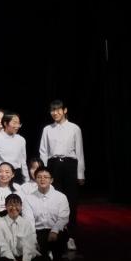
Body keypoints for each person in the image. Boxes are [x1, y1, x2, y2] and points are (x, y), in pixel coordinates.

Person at [38, 99, 84, 250]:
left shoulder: (74, 128)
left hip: (70, 165)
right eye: (52, 110)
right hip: (53, 165)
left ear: (65, 110)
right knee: (54, 199)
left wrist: (80, 173)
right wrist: (44, 171)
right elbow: (43, 151)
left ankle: (70, 236)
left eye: (58, 110)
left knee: (71, 201)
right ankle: (54, 233)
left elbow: (79, 151)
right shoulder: (47, 129)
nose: (55, 113)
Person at [24, 167, 71, 261]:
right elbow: (29, 221)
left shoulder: (61, 197)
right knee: (38, 259)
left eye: (46, 177)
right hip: (38, 231)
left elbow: (63, 218)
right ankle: (46, 259)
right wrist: (32, 238)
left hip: (55, 231)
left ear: (51, 180)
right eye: (39, 177)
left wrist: (54, 231)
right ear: (35, 180)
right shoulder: (28, 198)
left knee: (62, 234)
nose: (42, 179)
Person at [0, 112, 27, 184]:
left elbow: (23, 162)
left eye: (18, 123)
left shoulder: (21, 140)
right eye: (14, 123)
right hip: (0, 175)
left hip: (16, 175)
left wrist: (26, 179)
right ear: (5, 123)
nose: (17, 126)